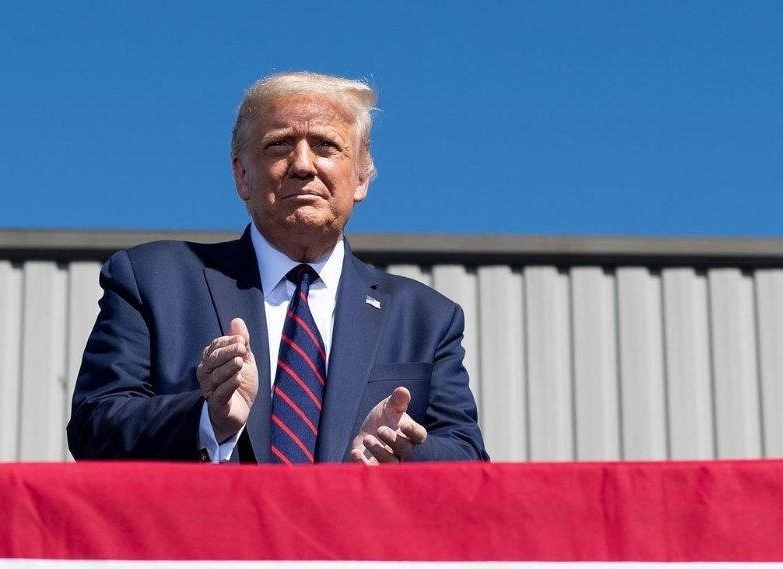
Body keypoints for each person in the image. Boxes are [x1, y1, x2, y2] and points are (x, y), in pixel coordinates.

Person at [68, 71, 489, 464]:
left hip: (354, 541)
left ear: (361, 177)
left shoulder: (425, 318)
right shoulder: (152, 281)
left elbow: (469, 459)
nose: (303, 164)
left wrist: (405, 449)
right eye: (279, 146)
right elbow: (93, 426)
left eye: (325, 145)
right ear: (242, 175)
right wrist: (207, 419)